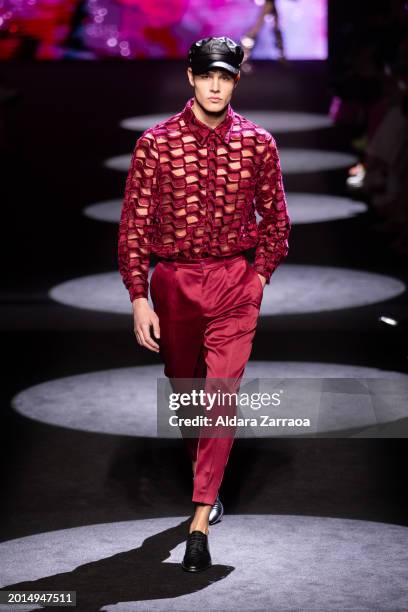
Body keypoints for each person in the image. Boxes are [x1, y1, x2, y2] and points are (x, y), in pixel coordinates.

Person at [117, 35, 291, 572]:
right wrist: (139, 295)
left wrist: (257, 279)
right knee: (189, 396)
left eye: (226, 75)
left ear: (236, 79)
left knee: (220, 396)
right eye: (207, 75)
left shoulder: (258, 142)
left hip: (234, 284)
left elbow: (276, 222)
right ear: (191, 77)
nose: (216, 85)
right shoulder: (156, 143)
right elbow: (134, 226)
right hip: (173, 282)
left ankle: (198, 520)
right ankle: (206, 481)